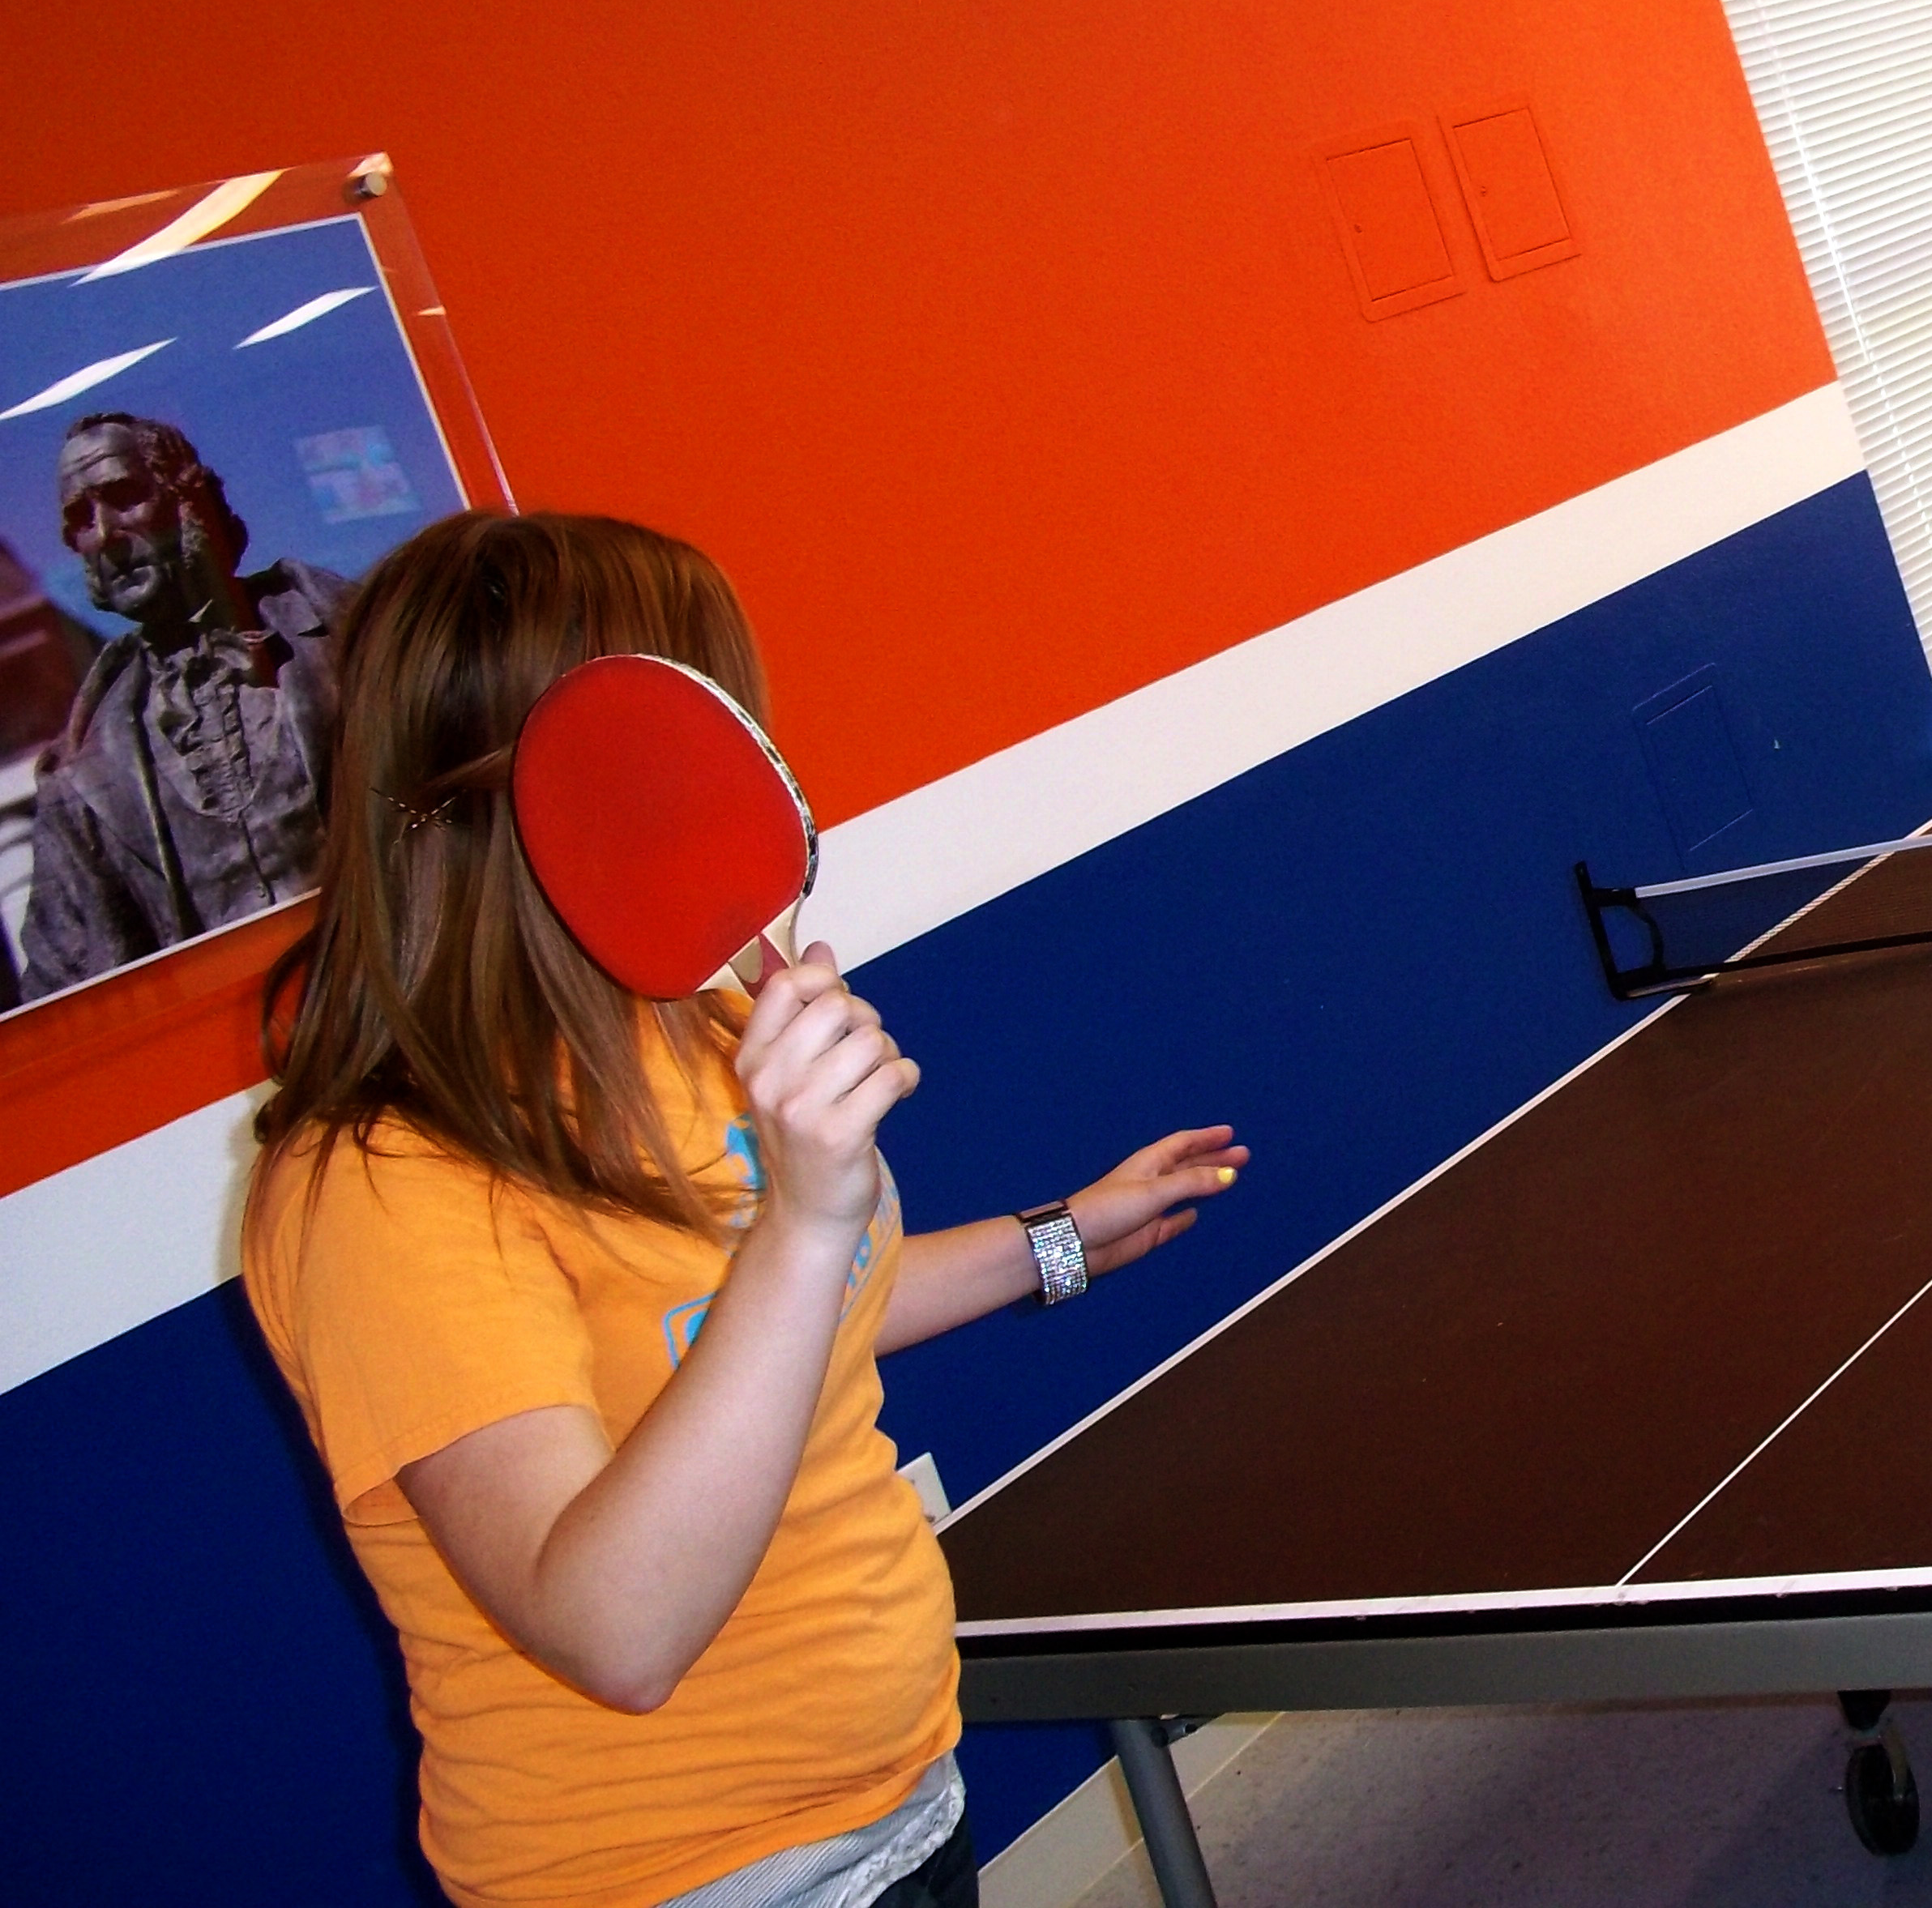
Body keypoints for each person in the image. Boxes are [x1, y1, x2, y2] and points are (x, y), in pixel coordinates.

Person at [240, 510, 1247, 1908]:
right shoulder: (383, 1182)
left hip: (903, 1798)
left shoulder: (691, 1019)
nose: (754, 762)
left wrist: (1064, 1237)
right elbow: (615, 1627)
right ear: (573, 787)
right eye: (701, 727)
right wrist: (804, 1220)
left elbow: (792, 1324)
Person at [22, 412, 352, 996]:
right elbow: (64, 997)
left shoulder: (356, 632)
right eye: (81, 521)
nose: (104, 534)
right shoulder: (82, 770)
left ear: (189, 498)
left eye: (122, 498)